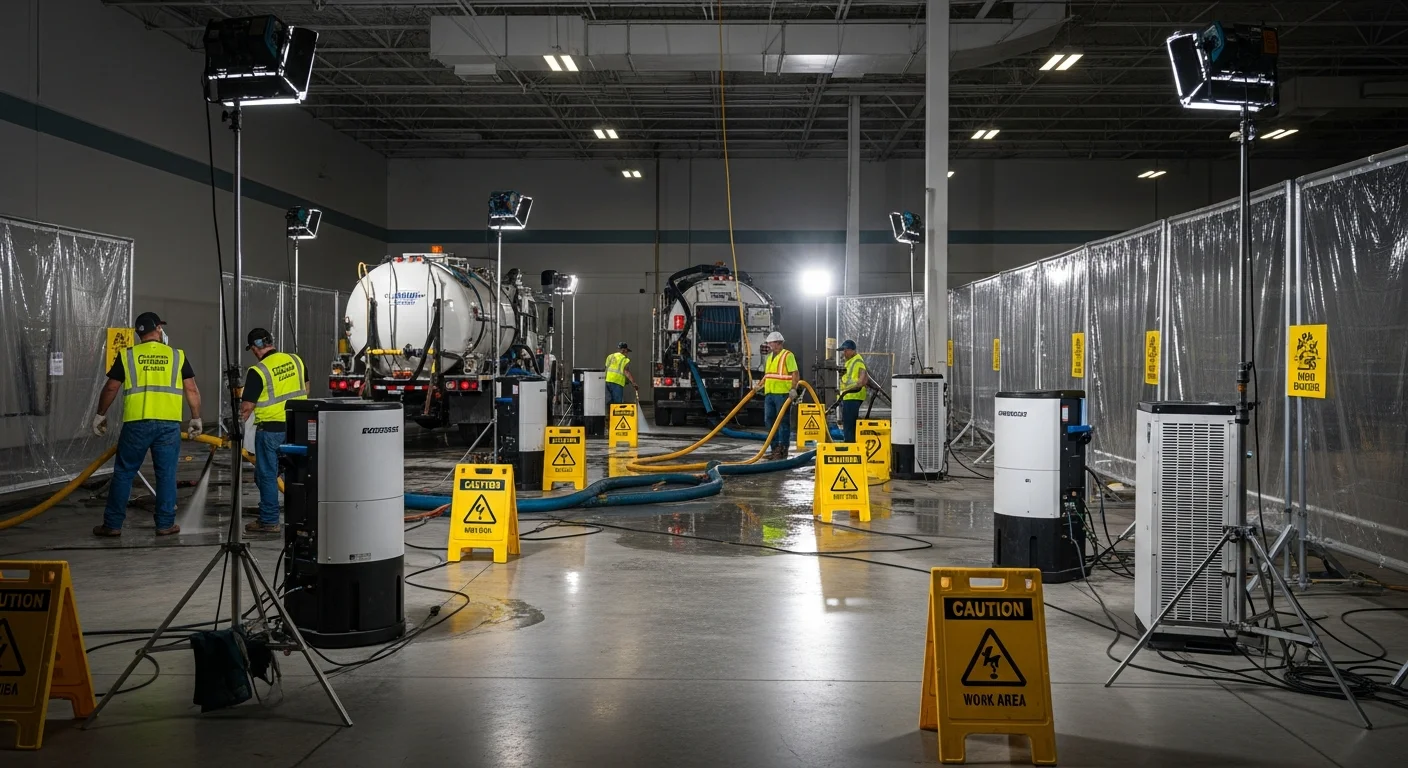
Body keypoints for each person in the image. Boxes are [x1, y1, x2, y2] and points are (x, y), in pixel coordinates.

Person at [91, 312, 202, 537]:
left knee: (124, 473)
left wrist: (100, 414)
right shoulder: (176, 355)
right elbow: (191, 389)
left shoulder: (128, 355)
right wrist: (196, 417)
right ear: (158, 328)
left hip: (136, 424)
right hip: (168, 425)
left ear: (138, 332)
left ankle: (112, 525)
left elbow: (111, 387)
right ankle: (165, 524)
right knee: (166, 474)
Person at [240, 328, 309, 534]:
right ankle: (300, 516)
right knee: (295, 473)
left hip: (270, 430)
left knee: (266, 476)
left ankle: (269, 520)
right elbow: (306, 388)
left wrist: (236, 425)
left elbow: (247, 408)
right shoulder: (296, 360)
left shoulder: (258, 370)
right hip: (297, 427)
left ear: (254, 348)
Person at [756, 331, 800, 460]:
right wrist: (760, 385)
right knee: (769, 421)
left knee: (782, 422)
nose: (769, 345)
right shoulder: (770, 357)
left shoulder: (788, 355)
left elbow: (795, 373)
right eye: (769, 343)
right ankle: (774, 448)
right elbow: (768, 375)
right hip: (770, 393)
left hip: (782, 394)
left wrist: (793, 389)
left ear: (778, 343)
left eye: (771, 343)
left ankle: (782, 449)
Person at [837, 339, 870, 443]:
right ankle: (849, 442)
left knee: (849, 423)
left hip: (853, 396)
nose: (844, 353)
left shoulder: (857, 360)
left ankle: (850, 445)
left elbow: (863, 378)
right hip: (848, 396)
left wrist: (858, 385)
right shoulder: (849, 362)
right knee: (847, 423)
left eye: (846, 350)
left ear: (852, 350)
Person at [604, 341, 637, 406]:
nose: (627, 353)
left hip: (607, 381)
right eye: (627, 351)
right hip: (617, 382)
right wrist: (633, 383)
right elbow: (626, 371)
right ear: (623, 350)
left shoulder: (610, 356)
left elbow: (606, 368)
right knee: (617, 403)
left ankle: (609, 415)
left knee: (609, 402)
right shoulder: (624, 359)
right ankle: (616, 416)